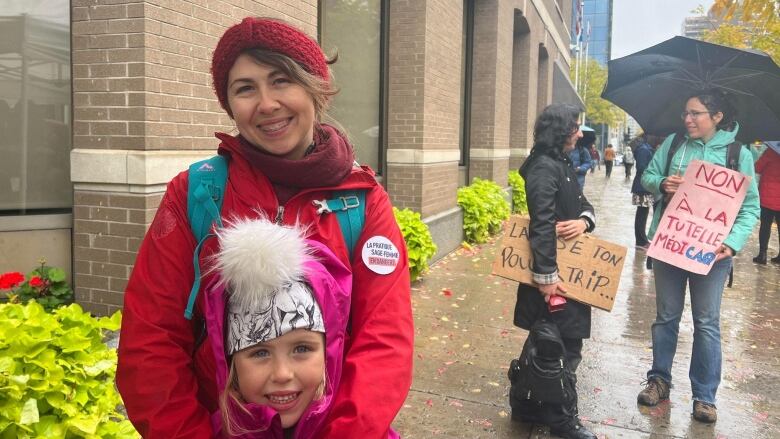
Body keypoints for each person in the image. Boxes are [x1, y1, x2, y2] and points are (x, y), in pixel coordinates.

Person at [116, 17, 413, 438]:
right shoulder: (197, 194)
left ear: (315, 88)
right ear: (230, 105)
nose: (267, 103)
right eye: (245, 88)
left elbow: (385, 340)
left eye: (281, 80)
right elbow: (151, 341)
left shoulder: (362, 201)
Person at [637, 89, 760, 423]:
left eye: (695, 113)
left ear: (716, 117)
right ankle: (659, 379)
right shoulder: (675, 144)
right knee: (666, 317)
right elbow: (647, 177)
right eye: (685, 113)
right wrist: (663, 184)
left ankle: (704, 396)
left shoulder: (739, 153)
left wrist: (732, 244)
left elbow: (750, 208)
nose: (687, 119)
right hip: (670, 246)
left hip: (714, 256)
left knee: (707, 323)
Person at [510, 103, 597, 439]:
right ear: (559, 130)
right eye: (574, 126)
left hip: (563, 272)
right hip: (553, 277)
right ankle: (562, 419)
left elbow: (583, 205)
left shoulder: (560, 163)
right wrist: (547, 279)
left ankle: (525, 404)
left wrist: (584, 221)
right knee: (563, 347)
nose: (579, 132)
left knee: (543, 342)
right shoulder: (544, 168)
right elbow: (542, 224)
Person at [752, 145, 780, 264]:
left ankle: (762, 254)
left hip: (767, 196)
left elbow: (757, 168)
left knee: (765, 226)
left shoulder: (771, 151)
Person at [631, 135, 654, 249]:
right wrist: (653, 170)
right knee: (642, 214)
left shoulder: (645, 148)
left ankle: (641, 240)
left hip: (643, 185)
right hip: (643, 186)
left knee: (642, 213)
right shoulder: (644, 150)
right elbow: (641, 167)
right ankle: (641, 241)